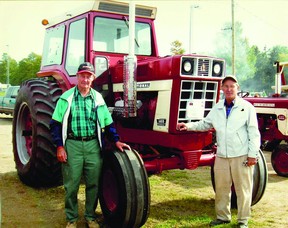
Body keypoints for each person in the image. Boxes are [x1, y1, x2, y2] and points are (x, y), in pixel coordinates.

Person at [50, 62, 130, 228]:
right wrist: (59, 146)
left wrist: (116, 140)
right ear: (77, 76)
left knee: (93, 184)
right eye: (82, 76)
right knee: (71, 185)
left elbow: (108, 123)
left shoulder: (98, 99)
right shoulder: (66, 98)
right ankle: (71, 219)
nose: (85, 79)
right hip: (72, 145)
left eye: (89, 76)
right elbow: (55, 124)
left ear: (92, 79)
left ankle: (90, 217)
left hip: (93, 146)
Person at [176, 75, 260, 228]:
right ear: (222, 89)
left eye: (232, 86)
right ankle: (222, 217)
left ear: (237, 88)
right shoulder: (218, 107)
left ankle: (243, 220)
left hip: (240, 155)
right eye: (226, 86)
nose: (228, 89)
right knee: (221, 188)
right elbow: (205, 123)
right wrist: (188, 126)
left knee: (243, 190)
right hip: (221, 155)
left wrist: (252, 155)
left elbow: (254, 133)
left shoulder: (247, 107)